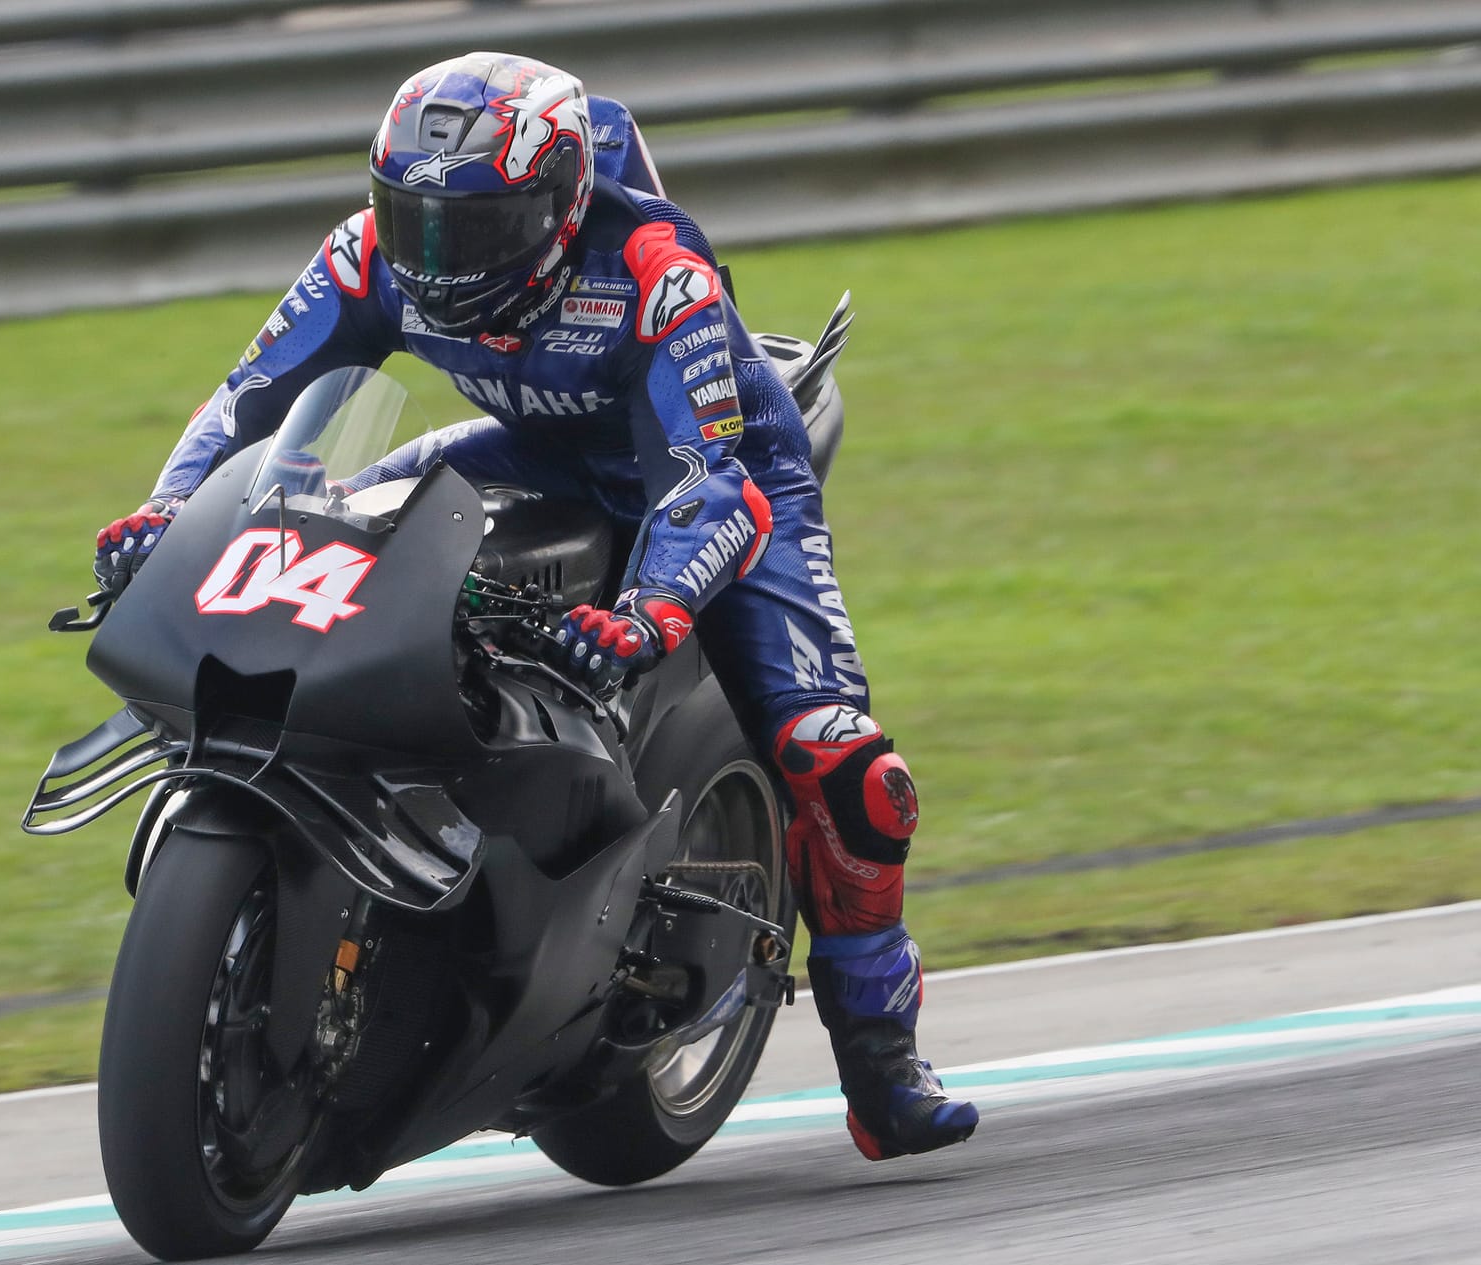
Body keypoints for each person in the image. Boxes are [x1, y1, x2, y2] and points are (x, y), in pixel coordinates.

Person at [92, 53, 978, 1161]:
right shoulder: (367, 257)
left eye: (472, 228)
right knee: (343, 526)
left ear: (559, 205)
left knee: (839, 759)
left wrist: (650, 611)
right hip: (536, 446)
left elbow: (706, 482)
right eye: (412, 220)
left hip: (725, 479)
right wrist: (168, 513)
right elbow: (248, 405)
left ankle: (882, 1061)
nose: (434, 258)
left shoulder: (654, 274)